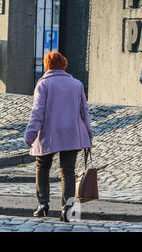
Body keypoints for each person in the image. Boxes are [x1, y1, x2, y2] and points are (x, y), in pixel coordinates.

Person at [24, 52, 93, 222]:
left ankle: (43, 203)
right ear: (64, 65)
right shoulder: (76, 84)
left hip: (49, 133)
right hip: (73, 134)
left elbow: (37, 113)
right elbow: (84, 111)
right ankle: (67, 209)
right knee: (68, 171)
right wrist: (89, 135)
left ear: (47, 66)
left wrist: (30, 134)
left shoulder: (44, 84)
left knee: (42, 166)